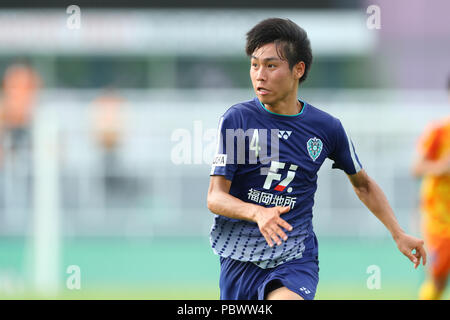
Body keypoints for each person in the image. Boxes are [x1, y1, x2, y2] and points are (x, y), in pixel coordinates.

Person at [207, 18, 426, 300]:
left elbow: (363, 185)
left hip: (294, 255)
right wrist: (257, 212)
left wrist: (398, 233)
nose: (260, 75)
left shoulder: (326, 128)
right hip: (240, 257)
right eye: (254, 64)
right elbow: (215, 197)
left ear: (298, 69)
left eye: (271, 65)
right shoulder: (238, 120)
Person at [413, 79, 450, 300]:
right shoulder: (439, 131)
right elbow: (416, 168)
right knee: (438, 278)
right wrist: (442, 167)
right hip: (440, 219)